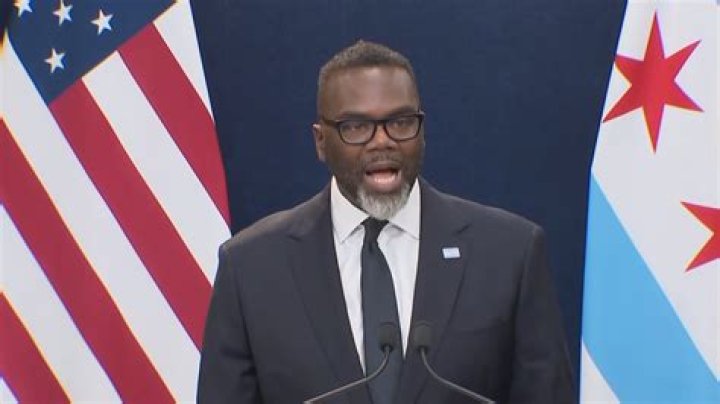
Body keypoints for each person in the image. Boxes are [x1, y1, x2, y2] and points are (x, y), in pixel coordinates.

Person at [198, 40, 575, 403]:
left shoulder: (509, 254)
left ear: (422, 132)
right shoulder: (251, 268)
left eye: (400, 122)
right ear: (320, 141)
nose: (382, 141)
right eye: (356, 126)